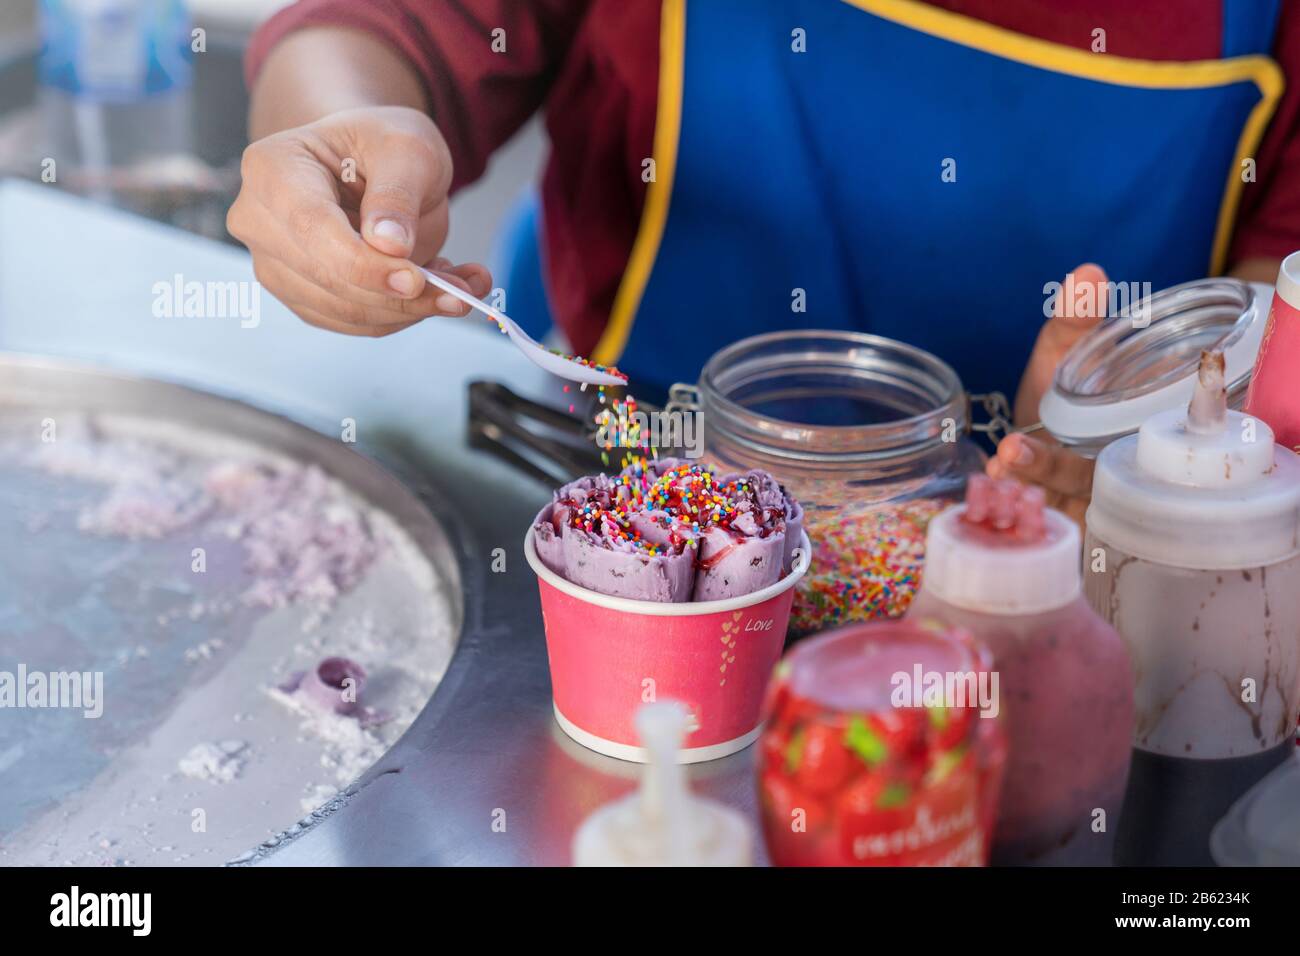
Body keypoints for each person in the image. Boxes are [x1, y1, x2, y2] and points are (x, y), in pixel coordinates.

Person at [228, 0, 1300, 526]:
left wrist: (1147, 466)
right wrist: (345, 134)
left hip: (1058, 545)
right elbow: (379, 32)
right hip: (617, 473)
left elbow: (1264, 345)